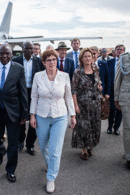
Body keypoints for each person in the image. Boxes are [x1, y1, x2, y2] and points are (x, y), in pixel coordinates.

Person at [30, 49, 76, 194]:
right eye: (48, 60)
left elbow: (68, 97)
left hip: (60, 116)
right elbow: (34, 97)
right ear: (43, 62)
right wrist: (32, 115)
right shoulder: (38, 76)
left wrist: (73, 115)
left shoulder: (64, 76)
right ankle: (50, 164)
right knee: (43, 146)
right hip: (42, 115)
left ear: (57, 61)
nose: (52, 62)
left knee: (56, 150)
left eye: (54, 59)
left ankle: (51, 178)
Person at [0, 43, 28, 182]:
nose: (5, 56)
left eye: (7, 53)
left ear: (12, 55)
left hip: (13, 112)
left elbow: (23, 93)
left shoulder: (18, 69)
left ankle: (10, 170)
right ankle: (1, 152)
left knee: (13, 144)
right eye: (2, 53)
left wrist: (24, 115)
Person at [12, 41, 44, 155]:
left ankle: (30, 145)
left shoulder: (38, 61)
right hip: (20, 93)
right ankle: (20, 140)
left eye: (31, 48)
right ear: (22, 49)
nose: (29, 51)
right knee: (20, 119)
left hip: (33, 92)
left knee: (34, 118)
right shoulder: (15, 60)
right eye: (27, 48)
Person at [71, 48, 103, 160]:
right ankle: (84, 149)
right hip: (82, 104)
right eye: (85, 56)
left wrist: (99, 87)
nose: (88, 58)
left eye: (89, 56)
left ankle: (91, 145)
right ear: (81, 59)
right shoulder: (78, 72)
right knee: (83, 127)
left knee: (94, 125)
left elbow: (97, 82)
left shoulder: (96, 69)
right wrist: (75, 106)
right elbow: (73, 90)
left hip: (95, 103)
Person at [114, 52, 130, 169]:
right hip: (126, 97)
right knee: (128, 126)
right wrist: (116, 98)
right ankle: (129, 156)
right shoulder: (124, 58)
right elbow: (118, 78)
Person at [107, 44, 125, 135]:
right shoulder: (110, 62)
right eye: (117, 49)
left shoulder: (126, 62)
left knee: (119, 109)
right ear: (115, 51)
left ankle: (116, 127)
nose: (119, 51)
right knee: (112, 109)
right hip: (112, 88)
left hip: (122, 89)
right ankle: (109, 127)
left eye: (121, 50)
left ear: (124, 51)